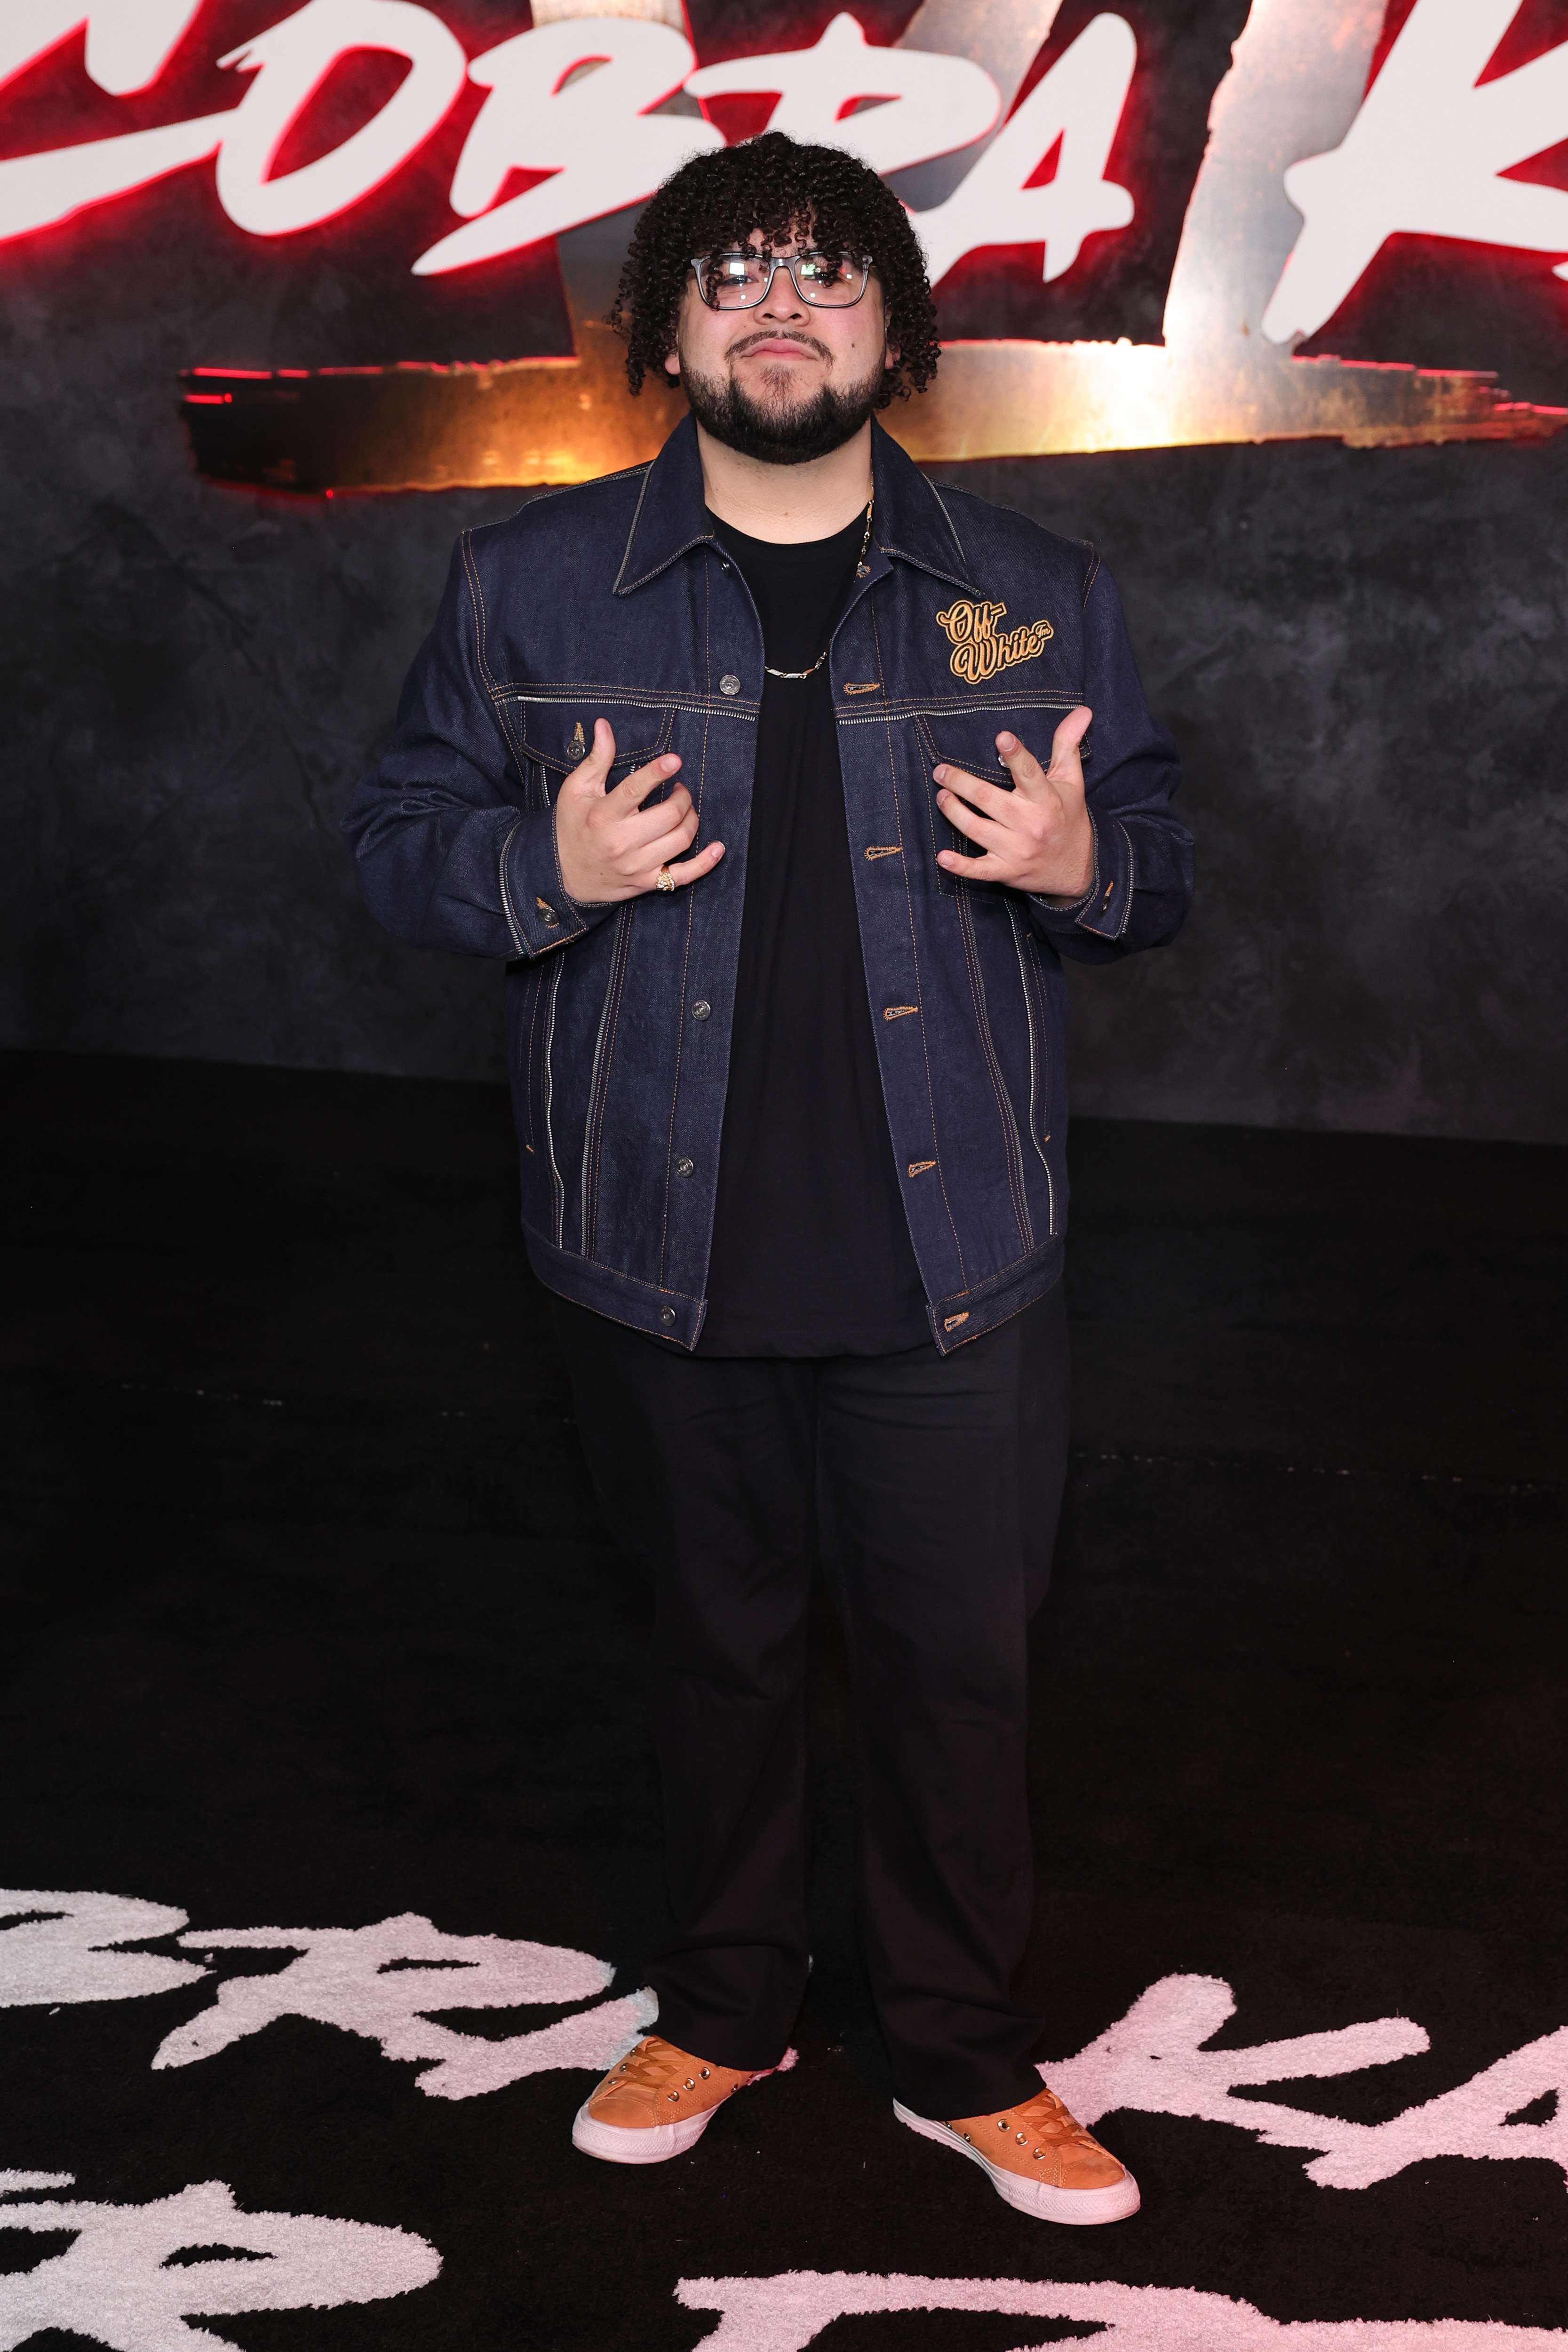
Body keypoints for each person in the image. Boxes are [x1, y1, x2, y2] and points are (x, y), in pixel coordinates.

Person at [342, 130, 1192, 2226]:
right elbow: (389, 840)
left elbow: (1158, 852)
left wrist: (1098, 869)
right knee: (711, 1645)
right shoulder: (525, 589)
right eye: (730, 276)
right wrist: (540, 864)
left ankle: (967, 2056)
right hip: (654, 1234)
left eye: (826, 274)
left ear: (897, 331)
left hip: (954, 1242)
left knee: (957, 1665)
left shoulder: (1040, 597)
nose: (781, 304)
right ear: (666, 334)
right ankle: (724, 2004)